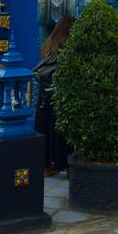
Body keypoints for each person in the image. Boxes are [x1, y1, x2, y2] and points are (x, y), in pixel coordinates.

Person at [34, 16, 75, 174]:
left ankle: (46, 166)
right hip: (59, 94)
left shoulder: (48, 43)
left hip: (44, 95)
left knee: (46, 130)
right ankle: (63, 163)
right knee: (60, 133)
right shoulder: (69, 45)